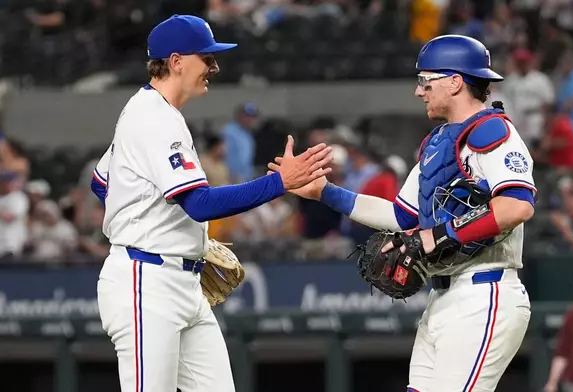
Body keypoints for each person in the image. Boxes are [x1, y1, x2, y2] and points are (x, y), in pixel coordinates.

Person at [270, 35, 535, 391]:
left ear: (455, 82)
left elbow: (516, 205)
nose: (418, 91)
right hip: (443, 295)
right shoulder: (439, 142)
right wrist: (324, 193)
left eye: (426, 81)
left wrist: (437, 236)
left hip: (485, 291)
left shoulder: (493, 132)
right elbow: (401, 216)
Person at [89, 14, 332, 392]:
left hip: (182, 282)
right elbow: (199, 204)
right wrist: (280, 183)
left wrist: (167, 229)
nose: (214, 67)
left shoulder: (150, 112)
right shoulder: (153, 119)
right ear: (176, 61)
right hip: (146, 281)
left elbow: (102, 181)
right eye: (207, 57)